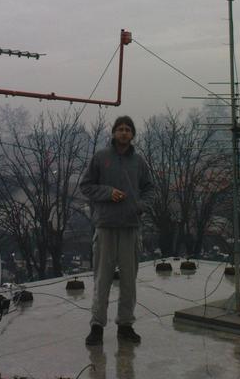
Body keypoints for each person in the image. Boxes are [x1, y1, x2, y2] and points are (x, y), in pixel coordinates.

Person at [79, 115, 154, 346]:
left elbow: (150, 189)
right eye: (120, 129)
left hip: (130, 227)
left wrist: (140, 206)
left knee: (129, 280)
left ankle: (125, 325)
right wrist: (108, 193)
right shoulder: (101, 158)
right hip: (106, 226)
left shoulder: (139, 162)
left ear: (132, 135)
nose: (123, 133)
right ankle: (97, 326)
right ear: (113, 133)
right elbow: (86, 186)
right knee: (102, 279)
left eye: (128, 129)